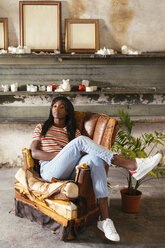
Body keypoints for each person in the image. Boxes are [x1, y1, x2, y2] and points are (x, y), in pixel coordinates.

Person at [31, 96, 162, 242]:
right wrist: (63, 154)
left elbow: (83, 152)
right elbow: (35, 152)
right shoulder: (41, 127)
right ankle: (131, 165)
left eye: (61, 107)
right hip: (50, 170)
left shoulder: (73, 132)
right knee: (80, 142)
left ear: (67, 111)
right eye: (54, 106)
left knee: (95, 159)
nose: (56, 109)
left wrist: (71, 153)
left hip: (68, 170)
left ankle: (104, 219)